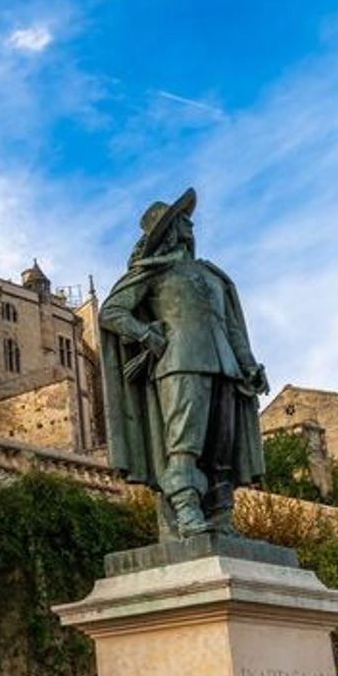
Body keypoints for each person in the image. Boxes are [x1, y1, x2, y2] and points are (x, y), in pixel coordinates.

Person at [99, 188, 269, 539]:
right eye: (182, 220)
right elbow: (111, 312)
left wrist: (249, 364)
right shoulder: (153, 271)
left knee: (221, 448)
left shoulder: (211, 275)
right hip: (179, 362)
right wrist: (145, 334)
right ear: (170, 230)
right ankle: (187, 510)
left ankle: (220, 514)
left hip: (225, 367)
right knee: (184, 444)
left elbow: (232, 328)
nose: (190, 225)